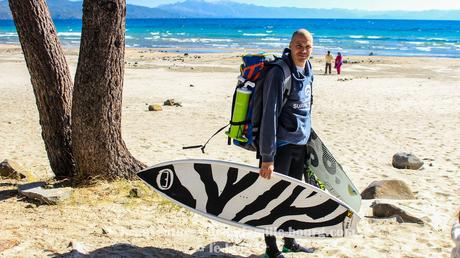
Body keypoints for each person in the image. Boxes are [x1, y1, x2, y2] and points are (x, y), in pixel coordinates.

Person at [258, 28, 316, 258]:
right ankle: (271, 248)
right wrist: (267, 157)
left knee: (293, 197)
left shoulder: (309, 69)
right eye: (299, 45)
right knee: (273, 199)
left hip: (300, 144)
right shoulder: (279, 73)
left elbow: (307, 107)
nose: (303, 50)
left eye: (308, 46)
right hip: (280, 146)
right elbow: (268, 115)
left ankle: (289, 241)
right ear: (291, 46)